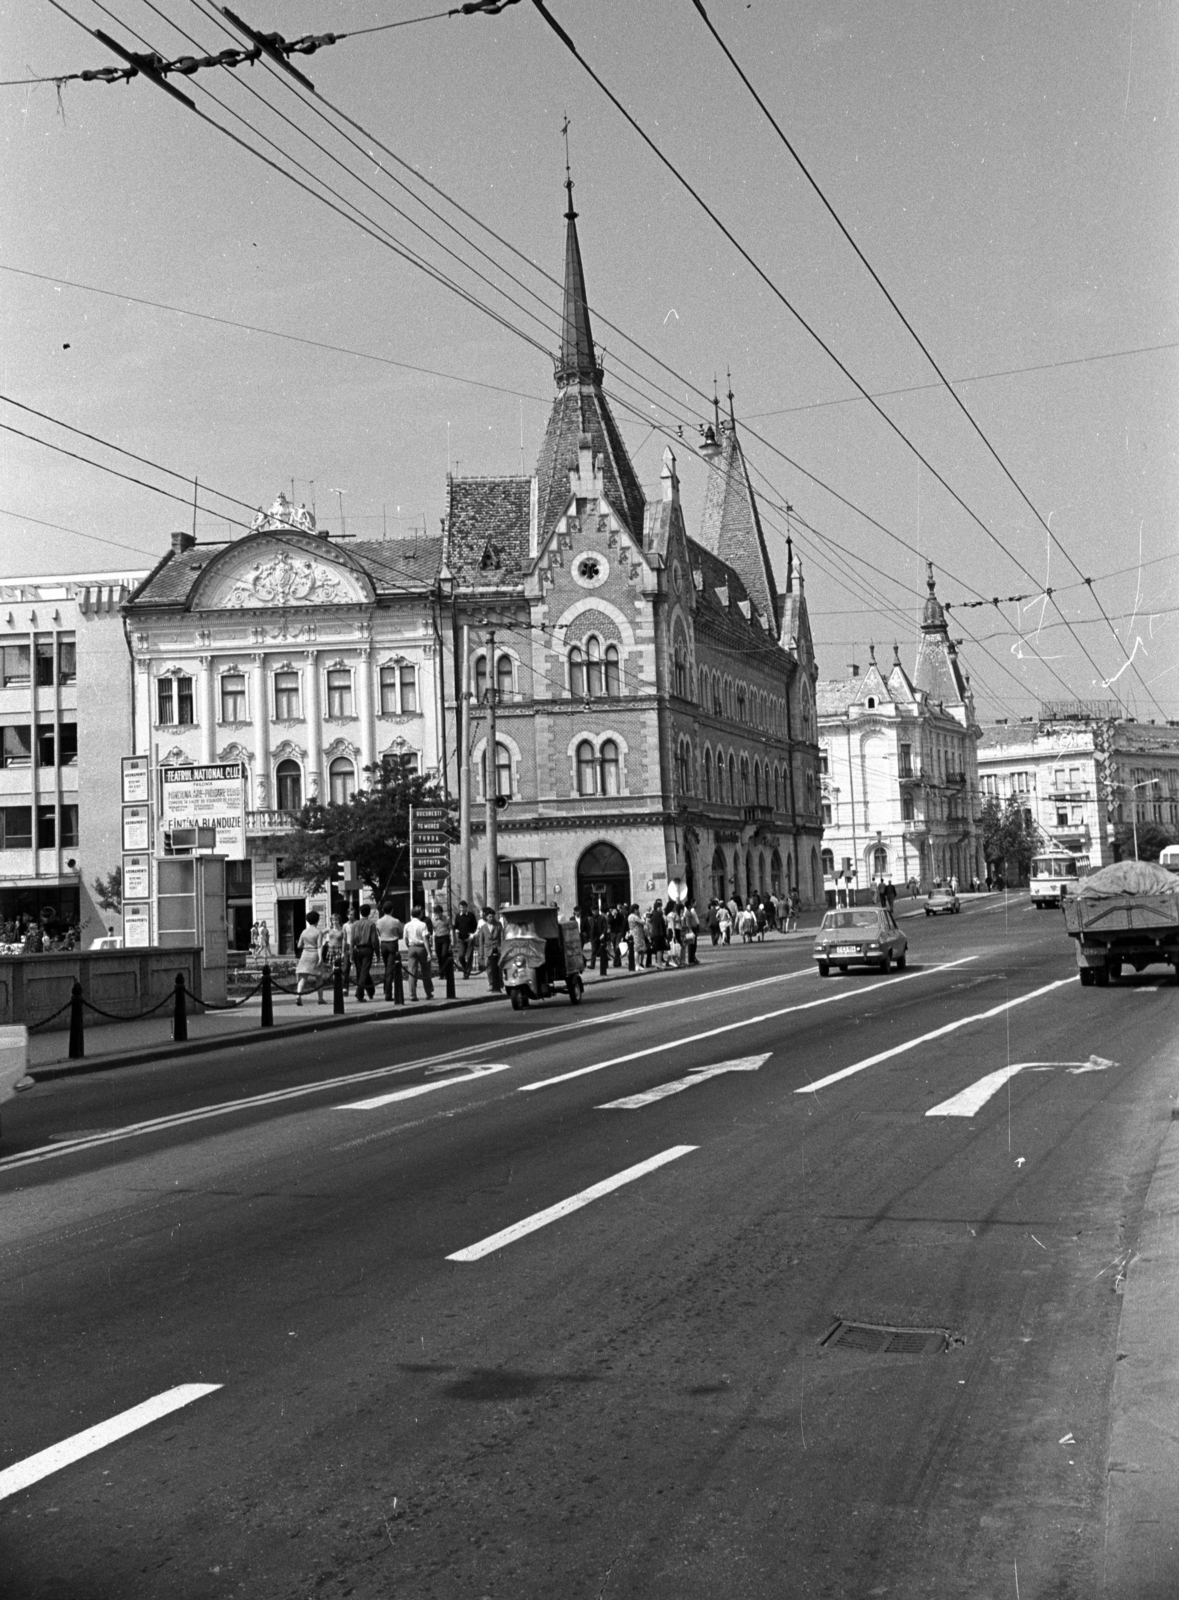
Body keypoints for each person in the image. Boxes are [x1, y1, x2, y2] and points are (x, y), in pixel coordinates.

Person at [294, 910, 326, 1006]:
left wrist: (306, 945)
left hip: (305, 955)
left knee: (303, 977)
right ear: (317, 920)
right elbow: (319, 946)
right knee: (319, 978)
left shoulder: (304, 932)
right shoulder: (318, 932)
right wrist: (320, 958)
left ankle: (298, 996)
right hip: (315, 954)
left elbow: (299, 945)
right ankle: (320, 998)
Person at [403, 906, 434, 1000]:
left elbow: (405, 939)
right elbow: (425, 939)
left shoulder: (407, 925)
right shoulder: (423, 925)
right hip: (421, 948)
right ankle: (428, 992)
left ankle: (412, 994)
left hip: (412, 947)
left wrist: (409, 946)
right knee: (425, 970)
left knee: (412, 971)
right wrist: (428, 952)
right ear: (420, 914)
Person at [350, 904, 379, 1001]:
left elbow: (351, 940)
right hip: (368, 949)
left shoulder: (355, 924)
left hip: (357, 949)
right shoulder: (371, 924)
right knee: (364, 971)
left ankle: (370, 991)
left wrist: (351, 953)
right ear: (369, 912)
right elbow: (374, 940)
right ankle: (360, 993)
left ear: (360, 912)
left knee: (361, 972)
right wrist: (377, 953)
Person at [377, 900, 404, 1001]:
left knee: (386, 967)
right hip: (393, 943)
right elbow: (401, 933)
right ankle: (388, 994)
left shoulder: (379, 921)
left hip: (383, 944)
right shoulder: (396, 921)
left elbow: (378, 932)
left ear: (383, 910)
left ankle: (385, 988)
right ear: (392, 910)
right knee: (390, 969)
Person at [454, 899, 478, 979]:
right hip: (461, 939)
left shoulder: (471, 915)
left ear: (466, 907)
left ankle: (466, 974)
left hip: (469, 938)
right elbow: (456, 926)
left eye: (463, 907)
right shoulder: (458, 916)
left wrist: (473, 934)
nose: (462, 909)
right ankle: (466, 969)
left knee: (469, 956)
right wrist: (456, 930)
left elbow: (475, 926)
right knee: (461, 956)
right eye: (460, 907)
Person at [431, 901, 453, 988]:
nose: (437, 914)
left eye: (439, 913)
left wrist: (452, 939)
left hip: (445, 938)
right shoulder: (433, 920)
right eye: (436, 913)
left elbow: (450, 929)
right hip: (437, 938)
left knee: (444, 955)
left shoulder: (446, 919)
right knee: (439, 956)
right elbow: (433, 930)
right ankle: (441, 973)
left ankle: (446, 972)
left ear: (441, 912)